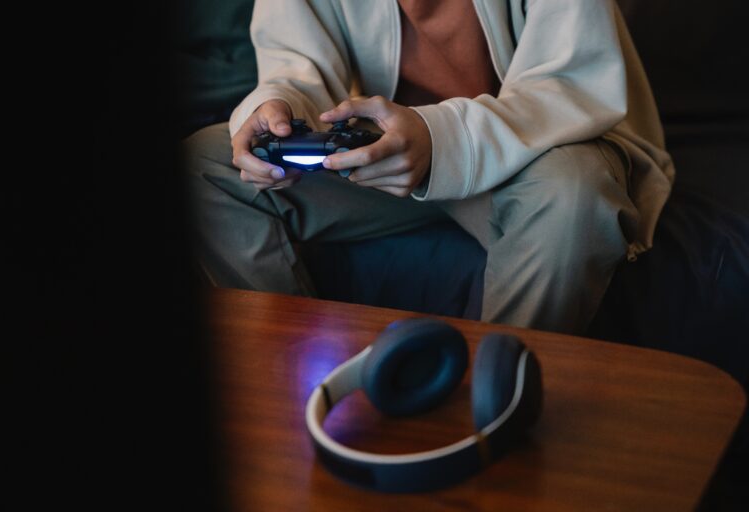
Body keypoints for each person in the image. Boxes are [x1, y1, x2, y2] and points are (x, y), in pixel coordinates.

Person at [184, 0, 674, 334]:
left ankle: (496, 407)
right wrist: (280, 109)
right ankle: (296, 396)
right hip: (385, 162)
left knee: (575, 194)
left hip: (535, 155)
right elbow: (297, 66)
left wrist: (439, 139)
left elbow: (573, 83)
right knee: (203, 166)